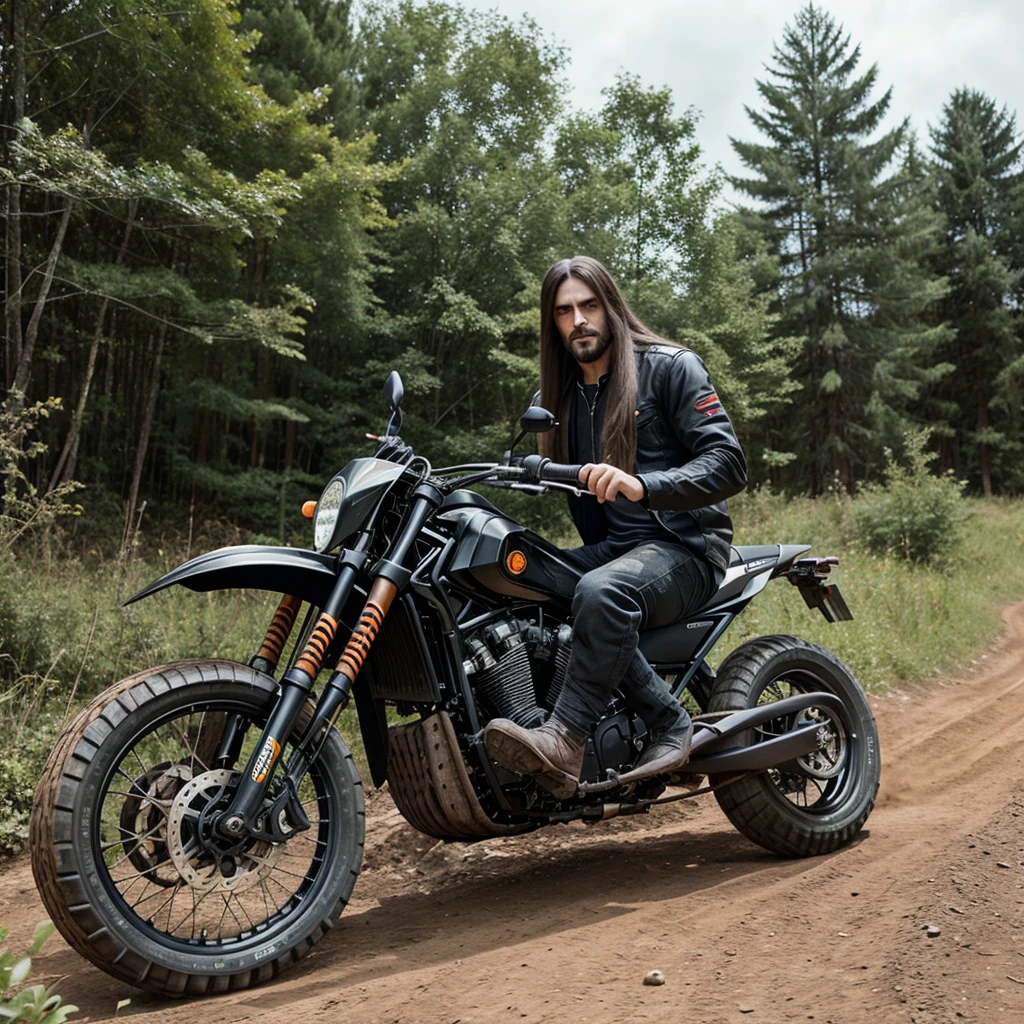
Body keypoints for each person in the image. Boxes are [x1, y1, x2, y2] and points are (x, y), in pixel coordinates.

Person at [484, 255, 748, 799]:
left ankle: (575, 737)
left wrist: (643, 485)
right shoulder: (553, 401)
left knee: (598, 591)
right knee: (512, 577)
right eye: (564, 311)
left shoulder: (671, 367)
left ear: (610, 306)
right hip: (613, 549)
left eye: (588, 305)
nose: (579, 319)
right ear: (552, 323)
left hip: (684, 547)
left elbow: (728, 463)